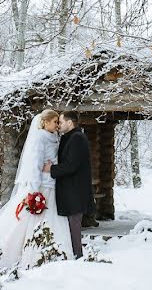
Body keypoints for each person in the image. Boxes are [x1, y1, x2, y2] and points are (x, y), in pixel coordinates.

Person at [0, 109, 73, 269]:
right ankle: (27, 254)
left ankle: (55, 253)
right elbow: (35, 164)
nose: (57, 125)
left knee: (53, 219)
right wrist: (35, 190)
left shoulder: (54, 137)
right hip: (42, 186)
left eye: (59, 122)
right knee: (35, 219)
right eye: (55, 122)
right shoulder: (39, 138)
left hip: (52, 184)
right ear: (45, 122)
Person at [43, 111, 95, 259]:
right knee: (70, 227)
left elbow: (72, 165)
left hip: (75, 192)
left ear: (70, 123)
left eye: (61, 122)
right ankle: (72, 255)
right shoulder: (70, 137)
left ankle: (77, 257)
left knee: (74, 226)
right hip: (70, 191)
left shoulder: (77, 138)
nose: (59, 125)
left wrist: (50, 169)